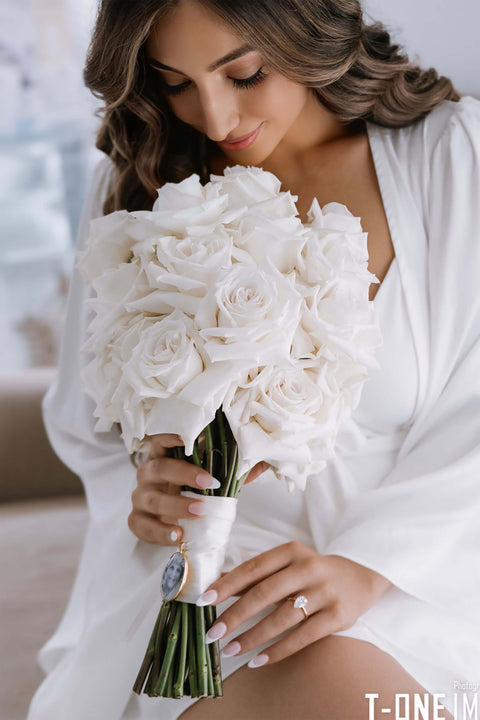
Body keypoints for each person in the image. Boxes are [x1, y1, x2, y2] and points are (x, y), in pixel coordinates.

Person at [27, 1, 480, 719]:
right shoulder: (139, 182)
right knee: (299, 674)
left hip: (428, 574)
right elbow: (94, 423)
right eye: (174, 82)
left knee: (338, 677)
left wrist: (370, 567)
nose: (213, 116)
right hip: (217, 577)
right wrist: (148, 486)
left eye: (245, 72)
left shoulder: (450, 156)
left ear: (307, 30)